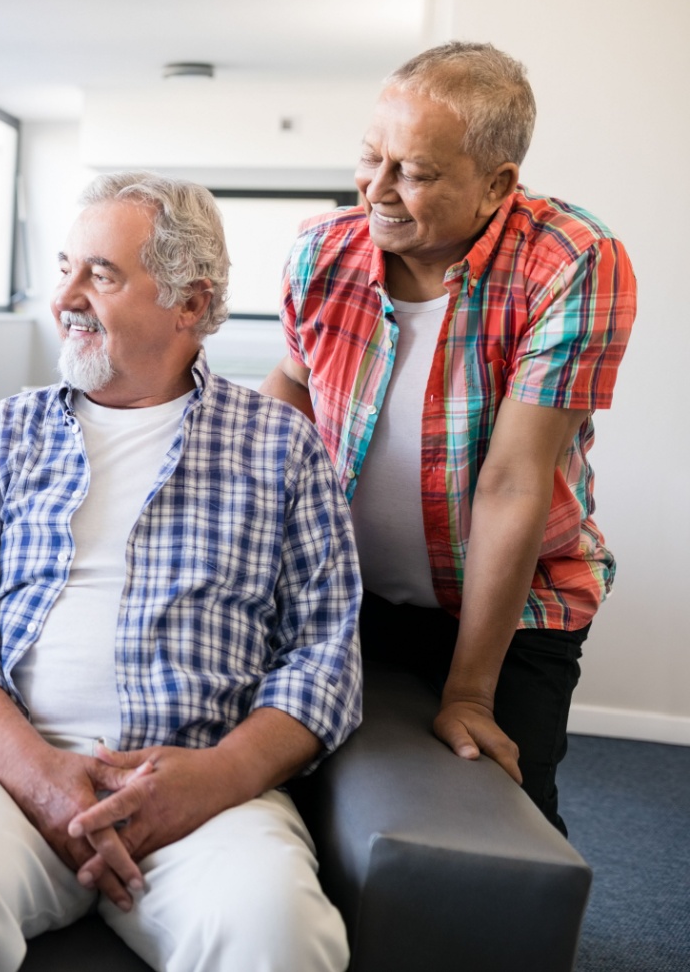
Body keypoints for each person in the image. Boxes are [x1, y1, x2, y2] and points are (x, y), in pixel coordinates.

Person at [0, 172, 361, 972]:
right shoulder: (10, 432)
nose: (65, 298)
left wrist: (217, 777)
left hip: (202, 784)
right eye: (66, 269)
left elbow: (325, 657)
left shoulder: (282, 446)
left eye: (102, 275)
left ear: (190, 303)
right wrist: (40, 777)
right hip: (9, 777)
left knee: (279, 933)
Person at [261, 42, 636, 832]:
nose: (377, 189)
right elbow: (292, 384)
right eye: (372, 157)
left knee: (499, 824)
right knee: (308, 796)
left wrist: (469, 693)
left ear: (497, 184)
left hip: (514, 606)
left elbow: (514, 479)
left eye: (415, 172)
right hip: (350, 589)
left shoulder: (572, 261)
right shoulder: (322, 251)